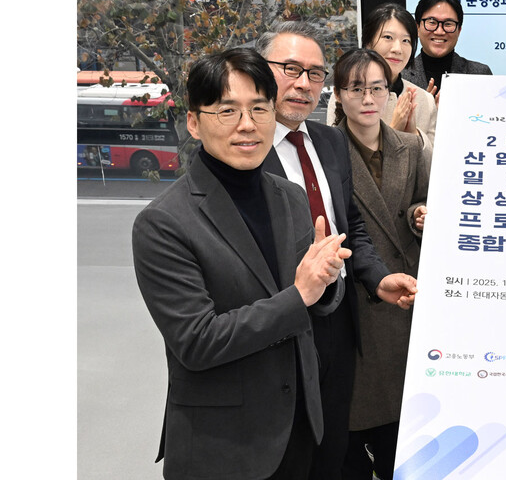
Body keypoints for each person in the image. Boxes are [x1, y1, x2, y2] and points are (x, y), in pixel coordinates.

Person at [132, 48, 417, 480]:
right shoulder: (163, 222)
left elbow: (317, 292)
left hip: (302, 426)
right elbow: (197, 342)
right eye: (227, 110)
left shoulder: (289, 196)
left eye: (259, 109)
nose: (247, 124)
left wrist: (327, 281)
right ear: (194, 122)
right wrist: (301, 294)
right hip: (226, 443)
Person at [255, 21, 418, 479]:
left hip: (341, 316)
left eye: (314, 73)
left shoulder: (329, 142)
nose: (304, 83)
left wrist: (378, 278)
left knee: (333, 449)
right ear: (261, 71)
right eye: (291, 69)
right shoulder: (247, 147)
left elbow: (352, 226)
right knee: (288, 452)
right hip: (281, 319)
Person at [330, 48, 430, 480]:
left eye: (377, 88)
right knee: (353, 432)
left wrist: (419, 215)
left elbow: (421, 201)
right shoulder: (325, 150)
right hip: (353, 300)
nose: (368, 98)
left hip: (406, 294)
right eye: (356, 89)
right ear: (339, 94)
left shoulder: (411, 146)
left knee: (404, 435)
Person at [362, 3, 439, 154]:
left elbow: (433, 163)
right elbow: (341, 159)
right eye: (388, 37)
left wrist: (415, 135)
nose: (397, 49)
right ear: (369, 43)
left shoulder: (424, 100)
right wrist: (394, 130)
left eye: (406, 41)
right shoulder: (349, 93)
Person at [401, 0, 493, 99]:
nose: (439, 31)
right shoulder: (400, 75)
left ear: (459, 30)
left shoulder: (480, 74)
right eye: (432, 22)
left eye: (448, 24)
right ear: (417, 28)